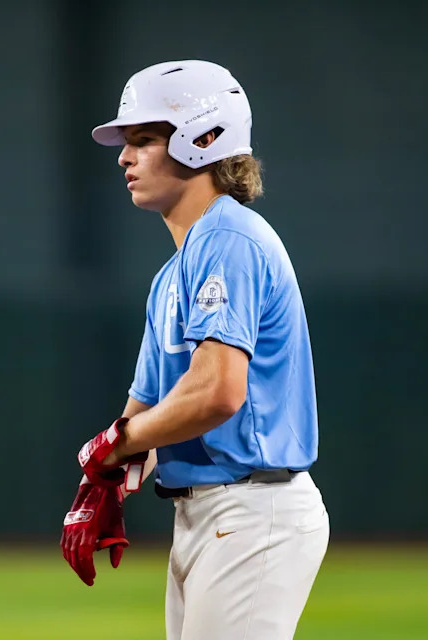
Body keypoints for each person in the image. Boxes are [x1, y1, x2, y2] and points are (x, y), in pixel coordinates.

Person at [61, 59, 329, 640]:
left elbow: (215, 393)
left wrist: (118, 445)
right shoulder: (172, 275)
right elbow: (149, 404)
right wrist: (103, 478)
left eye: (144, 140)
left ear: (204, 139)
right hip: (205, 515)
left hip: (256, 509)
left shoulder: (227, 238)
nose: (124, 158)